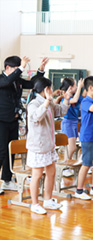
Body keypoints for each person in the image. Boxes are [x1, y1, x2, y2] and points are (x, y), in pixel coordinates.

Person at [0, 56, 48, 193]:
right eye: (16, 69)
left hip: (13, 120)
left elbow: (32, 84)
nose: (19, 72)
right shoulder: (2, 79)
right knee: (1, 151)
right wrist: (21, 67)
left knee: (11, 151)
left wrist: (40, 70)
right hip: (1, 121)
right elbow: (8, 81)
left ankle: (7, 180)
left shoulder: (17, 81)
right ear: (7, 68)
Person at [26, 77, 71, 214]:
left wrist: (67, 99)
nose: (52, 91)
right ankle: (35, 203)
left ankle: (48, 199)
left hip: (49, 145)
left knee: (51, 172)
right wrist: (47, 101)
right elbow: (36, 118)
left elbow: (61, 111)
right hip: (38, 146)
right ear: (46, 89)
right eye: (50, 88)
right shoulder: (33, 103)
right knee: (37, 174)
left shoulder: (49, 103)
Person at [59, 78, 84, 177]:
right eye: (75, 85)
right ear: (70, 87)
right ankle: (65, 167)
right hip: (67, 122)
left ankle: (67, 165)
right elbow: (75, 100)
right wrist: (80, 88)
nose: (77, 87)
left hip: (74, 122)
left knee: (72, 147)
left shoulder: (75, 96)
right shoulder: (65, 97)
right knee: (71, 147)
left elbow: (83, 99)